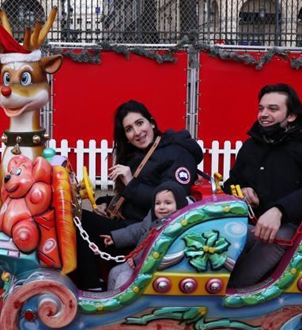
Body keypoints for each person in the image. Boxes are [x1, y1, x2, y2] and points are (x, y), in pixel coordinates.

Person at [73, 100, 204, 290]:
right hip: (129, 223)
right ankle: (91, 282)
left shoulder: (177, 154)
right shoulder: (141, 155)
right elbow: (132, 197)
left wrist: (130, 182)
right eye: (129, 129)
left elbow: (171, 204)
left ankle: (92, 286)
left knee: (78, 222)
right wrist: (106, 203)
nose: (137, 132)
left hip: (147, 233)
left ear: (152, 122)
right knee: (74, 217)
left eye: (139, 123)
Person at [224, 83, 302, 288]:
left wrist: (280, 210)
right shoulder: (252, 145)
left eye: (273, 109)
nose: (264, 114)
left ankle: (233, 294)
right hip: (251, 224)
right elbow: (232, 182)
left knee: (278, 236)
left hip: (296, 230)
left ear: (291, 115)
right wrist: (243, 190)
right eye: (261, 108)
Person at [102, 181, 189, 290]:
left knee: (123, 278)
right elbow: (139, 229)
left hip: (155, 268)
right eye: (157, 203)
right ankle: (112, 299)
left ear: (179, 205)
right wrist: (116, 238)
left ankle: (124, 301)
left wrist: (136, 261)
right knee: (114, 272)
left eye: (168, 203)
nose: (162, 207)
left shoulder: (175, 226)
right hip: (141, 262)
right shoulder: (153, 217)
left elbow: (158, 249)